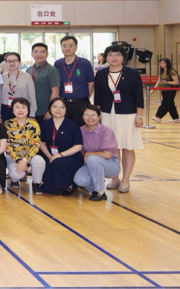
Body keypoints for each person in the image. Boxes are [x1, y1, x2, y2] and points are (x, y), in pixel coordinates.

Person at [94, 45, 144, 193]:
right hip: (107, 114)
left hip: (128, 115)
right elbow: (98, 96)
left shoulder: (132, 74)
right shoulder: (101, 74)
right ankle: (114, 178)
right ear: (106, 57)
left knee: (128, 147)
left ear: (123, 57)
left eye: (117, 54)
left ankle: (125, 179)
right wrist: (96, 117)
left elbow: (139, 96)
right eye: (110, 55)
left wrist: (139, 116)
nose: (114, 58)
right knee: (112, 148)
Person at [74, 104, 121, 201]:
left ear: (99, 117)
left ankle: (100, 192)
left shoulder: (106, 131)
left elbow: (107, 154)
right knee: (79, 180)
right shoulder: (80, 130)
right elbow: (80, 148)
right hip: (90, 163)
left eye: (93, 115)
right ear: (82, 117)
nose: (90, 118)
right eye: (87, 115)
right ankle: (96, 185)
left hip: (111, 164)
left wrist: (88, 154)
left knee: (92, 158)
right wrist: (86, 156)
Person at [38, 97, 84, 195]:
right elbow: (42, 143)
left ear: (66, 110)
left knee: (59, 162)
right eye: (55, 107)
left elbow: (78, 146)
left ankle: (68, 185)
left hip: (70, 156)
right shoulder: (44, 124)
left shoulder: (73, 125)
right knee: (44, 161)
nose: (58, 109)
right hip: (50, 155)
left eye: (62, 107)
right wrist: (50, 156)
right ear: (50, 108)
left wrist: (59, 155)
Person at [4, 98, 45, 192]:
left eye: (23, 107)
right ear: (13, 110)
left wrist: (25, 160)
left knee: (40, 161)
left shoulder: (34, 125)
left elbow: (36, 144)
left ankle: (36, 183)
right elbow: (7, 145)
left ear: (28, 110)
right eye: (17, 107)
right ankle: (14, 179)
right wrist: (19, 160)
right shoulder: (7, 124)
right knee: (17, 174)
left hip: (30, 157)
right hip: (13, 158)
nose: (20, 110)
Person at [54, 35, 95, 126]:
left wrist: (86, 98)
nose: (67, 48)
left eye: (71, 45)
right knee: (64, 128)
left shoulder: (85, 63)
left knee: (82, 129)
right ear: (61, 47)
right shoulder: (57, 64)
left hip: (81, 104)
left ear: (76, 47)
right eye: (64, 46)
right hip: (63, 103)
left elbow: (91, 83)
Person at [0, 52, 37, 123]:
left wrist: (32, 115)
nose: (12, 63)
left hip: (22, 110)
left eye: (14, 61)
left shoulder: (27, 76)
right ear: (5, 63)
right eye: (9, 61)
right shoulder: (2, 77)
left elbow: (32, 97)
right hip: (6, 109)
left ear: (19, 62)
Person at [29, 43, 61, 125]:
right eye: (36, 52)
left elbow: (55, 92)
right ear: (32, 54)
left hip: (44, 112)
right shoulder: (29, 69)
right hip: (30, 111)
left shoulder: (52, 70)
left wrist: (50, 111)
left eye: (42, 52)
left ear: (47, 54)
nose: (39, 54)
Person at [152, 58, 180, 123]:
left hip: (171, 90)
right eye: (161, 63)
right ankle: (176, 118)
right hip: (164, 90)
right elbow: (158, 81)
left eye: (163, 63)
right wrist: (153, 89)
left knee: (165, 103)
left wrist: (167, 82)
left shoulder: (171, 71)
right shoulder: (162, 71)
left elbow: (176, 82)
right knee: (170, 104)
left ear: (167, 63)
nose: (161, 64)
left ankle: (158, 117)